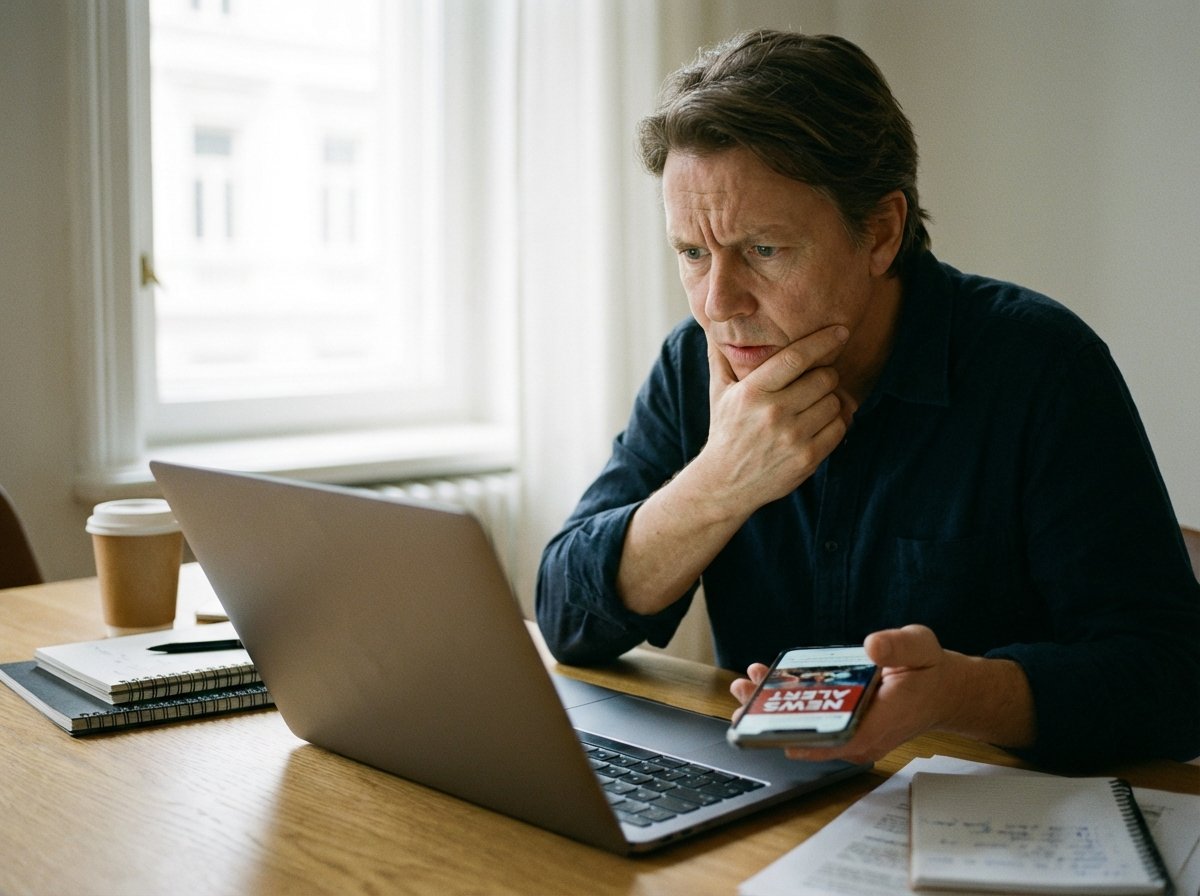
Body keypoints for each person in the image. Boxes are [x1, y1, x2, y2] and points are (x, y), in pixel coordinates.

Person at [535, 29, 1200, 769]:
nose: (717, 303)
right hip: (776, 798)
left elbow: (1174, 683)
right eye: (693, 253)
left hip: (987, 804)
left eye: (762, 250)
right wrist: (718, 482)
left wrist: (960, 694)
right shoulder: (696, 364)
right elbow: (565, 617)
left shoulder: (1042, 367)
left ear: (881, 232)